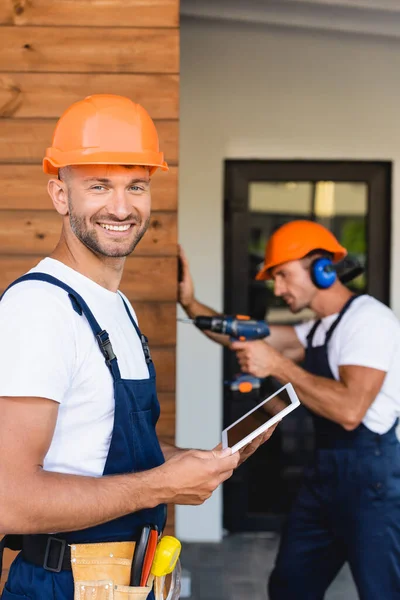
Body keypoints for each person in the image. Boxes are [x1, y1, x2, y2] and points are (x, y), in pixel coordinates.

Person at [0, 94, 276, 600]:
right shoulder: (40, 309)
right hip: (63, 585)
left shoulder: (117, 306)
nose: (122, 207)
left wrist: (193, 461)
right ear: (60, 194)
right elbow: (8, 500)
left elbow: (100, 446)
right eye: (99, 186)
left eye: (136, 186)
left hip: (132, 580)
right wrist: (163, 486)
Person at [178, 219, 400, 600]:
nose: (277, 289)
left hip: (372, 480)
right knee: (290, 586)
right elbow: (242, 335)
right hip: (325, 475)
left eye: (282, 275)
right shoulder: (318, 328)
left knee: (381, 592)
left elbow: (350, 409)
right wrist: (190, 302)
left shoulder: (370, 322)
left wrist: (277, 365)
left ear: (322, 267)